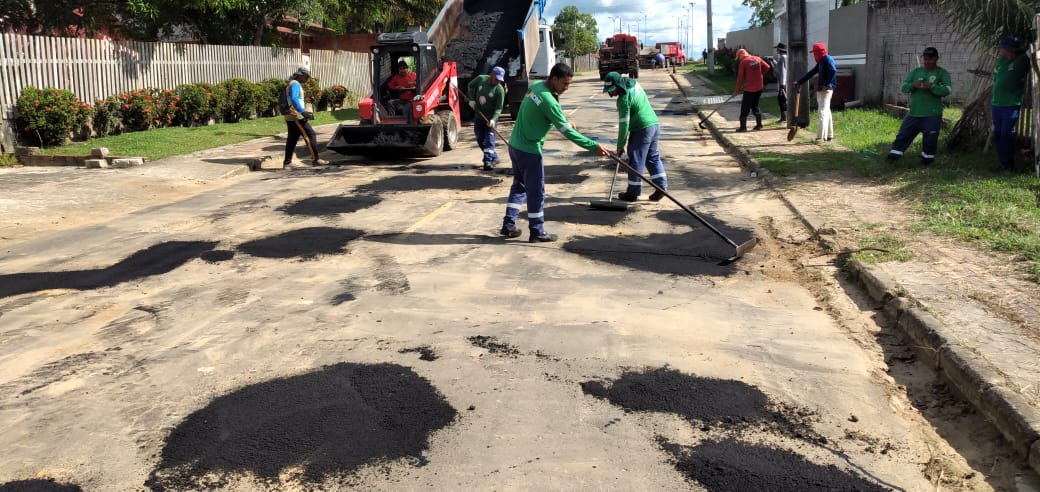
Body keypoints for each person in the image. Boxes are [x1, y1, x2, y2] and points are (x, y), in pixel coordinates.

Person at [500, 63, 609, 242]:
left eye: (569, 84)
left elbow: (547, 112)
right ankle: (537, 231)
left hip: (515, 146)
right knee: (536, 191)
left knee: (519, 186)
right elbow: (567, 132)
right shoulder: (549, 101)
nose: (567, 88)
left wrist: (564, 118)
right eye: (564, 84)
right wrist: (593, 146)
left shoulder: (536, 88)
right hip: (529, 150)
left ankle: (508, 224)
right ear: (554, 79)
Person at [603, 71, 667, 202]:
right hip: (654, 124)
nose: (611, 94)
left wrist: (620, 145)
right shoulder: (635, 84)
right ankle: (661, 187)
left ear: (618, 84)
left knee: (636, 159)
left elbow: (624, 125)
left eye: (612, 90)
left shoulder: (623, 100)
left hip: (641, 129)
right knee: (652, 156)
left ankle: (633, 193)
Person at [886, 47, 952, 166]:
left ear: (936, 59)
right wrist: (913, 85)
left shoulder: (942, 73)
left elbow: (947, 90)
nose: (927, 62)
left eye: (930, 59)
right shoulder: (916, 72)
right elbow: (904, 87)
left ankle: (927, 161)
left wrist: (932, 87)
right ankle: (893, 157)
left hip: (932, 114)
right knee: (903, 135)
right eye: (925, 59)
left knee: (930, 139)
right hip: (914, 112)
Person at [992, 36, 1029, 172]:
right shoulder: (1001, 61)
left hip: (1011, 104)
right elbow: (996, 78)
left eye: (1002, 47)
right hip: (996, 103)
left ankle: (1008, 165)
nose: (1000, 49)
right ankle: (1002, 162)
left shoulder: (1021, 60)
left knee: (1007, 134)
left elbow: (1030, 50)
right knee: (998, 134)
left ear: (1009, 49)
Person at [280, 67, 327, 168]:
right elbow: (294, 98)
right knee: (310, 135)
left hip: (290, 115)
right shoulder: (295, 84)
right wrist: (303, 112)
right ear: (300, 75)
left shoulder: (290, 83)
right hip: (296, 116)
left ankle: (287, 163)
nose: (307, 79)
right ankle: (316, 159)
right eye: (306, 77)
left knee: (292, 139)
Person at [794, 42, 837, 141]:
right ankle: (829, 135)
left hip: (826, 90)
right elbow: (812, 72)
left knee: (822, 112)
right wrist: (799, 82)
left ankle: (821, 137)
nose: (814, 55)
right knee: (827, 111)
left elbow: (833, 71)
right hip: (823, 89)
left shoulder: (827, 59)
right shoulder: (821, 62)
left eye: (814, 53)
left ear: (818, 53)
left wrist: (827, 85)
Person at [468, 66, 506, 171]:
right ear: (491, 75)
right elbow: (471, 86)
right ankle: (494, 157)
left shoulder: (500, 91)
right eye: (496, 78)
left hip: (490, 119)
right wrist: (471, 99)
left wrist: (493, 119)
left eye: (500, 79)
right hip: (479, 116)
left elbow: (499, 108)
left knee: (489, 141)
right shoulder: (481, 79)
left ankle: (488, 162)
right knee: (480, 139)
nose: (498, 81)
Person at [732, 48, 770, 132]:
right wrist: (761, 75)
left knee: (745, 108)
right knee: (755, 106)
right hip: (759, 87)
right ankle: (759, 125)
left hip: (750, 88)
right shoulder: (757, 58)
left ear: (741, 55)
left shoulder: (744, 62)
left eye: (739, 57)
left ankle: (743, 127)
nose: (739, 59)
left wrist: (736, 91)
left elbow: (740, 78)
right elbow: (767, 67)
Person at [773, 42, 788, 123]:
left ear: (780, 49)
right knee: (783, 100)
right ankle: (785, 117)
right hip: (787, 82)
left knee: (781, 100)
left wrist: (782, 85)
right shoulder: (786, 57)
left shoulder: (782, 57)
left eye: (777, 48)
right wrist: (774, 62)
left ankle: (784, 118)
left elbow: (782, 71)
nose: (776, 50)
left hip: (783, 83)